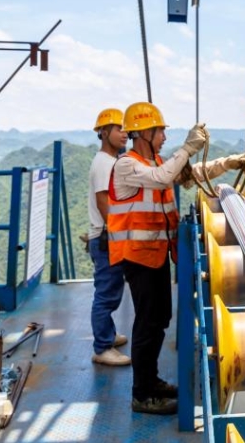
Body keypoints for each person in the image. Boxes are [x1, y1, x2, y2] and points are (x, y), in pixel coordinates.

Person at [108, 102, 245, 415]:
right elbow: (162, 177)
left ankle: (152, 381)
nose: (163, 138)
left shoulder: (155, 162)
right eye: (160, 132)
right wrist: (189, 145)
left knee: (159, 321)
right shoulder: (127, 166)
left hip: (155, 255)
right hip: (137, 257)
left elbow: (189, 174)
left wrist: (227, 163)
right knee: (147, 323)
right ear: (144, 133)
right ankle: (142, 394)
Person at [87, 108, 131, 367]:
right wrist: (120, 234)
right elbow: (104, 202)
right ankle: (102, 347)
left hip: (107, 235)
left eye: (125, 129)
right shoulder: (105, 163)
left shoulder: (110, 160)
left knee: (111, 290)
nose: (124, 134)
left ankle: (109, 335)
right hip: (107, 237)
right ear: (104, 132)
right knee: (106, 294)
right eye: (118, 129)